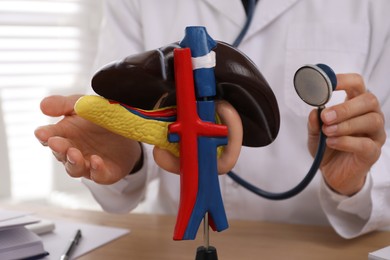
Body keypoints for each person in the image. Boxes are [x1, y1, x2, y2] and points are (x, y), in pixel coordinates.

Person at [35, 0, 389, 239]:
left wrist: (354, 184)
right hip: (169, 249)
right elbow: (126, 104)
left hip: (312, 246)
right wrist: (127, 151)